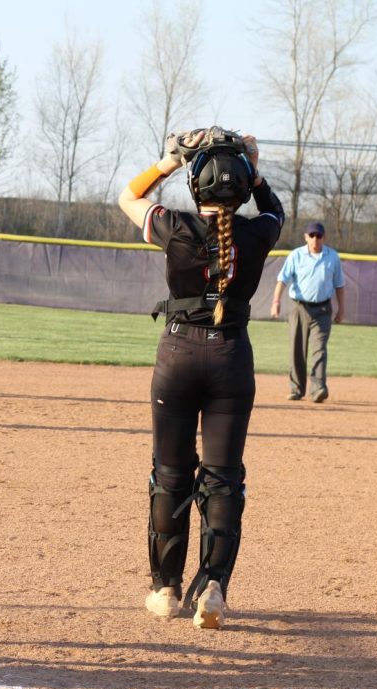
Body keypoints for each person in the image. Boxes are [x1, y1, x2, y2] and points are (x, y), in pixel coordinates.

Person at [117, 126, 285, 629]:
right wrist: (252, 166)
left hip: (178, 355)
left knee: (170, 474)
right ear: (241, 186)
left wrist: (169, 159)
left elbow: (129, 195)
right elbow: (274, 210)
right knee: (223, 478)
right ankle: (212, 587)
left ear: (196, 187)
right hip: (232, 358)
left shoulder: (176, 227)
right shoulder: (257, 233)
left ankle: (166, 590)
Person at [270, 221, 346, 403]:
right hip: (299, 308)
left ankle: (318, 388)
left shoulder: (332, 257)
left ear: (324, 237)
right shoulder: (296, 255)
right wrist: (276, 301)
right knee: (297, 349)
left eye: (319, 235)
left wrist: (342, 308)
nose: (315, 239)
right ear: (305, 237)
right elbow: (282, 279)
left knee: (319, 350)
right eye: (311, 235)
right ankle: (297, 389)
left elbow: (339, 285)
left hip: (322, 309)